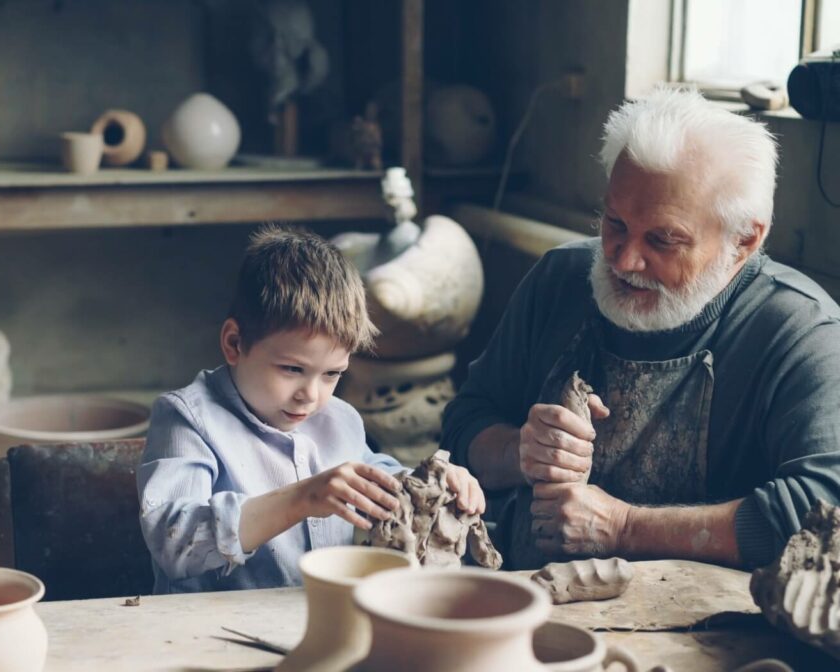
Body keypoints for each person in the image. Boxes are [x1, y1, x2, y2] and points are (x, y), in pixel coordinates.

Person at [441, 86, 840, 570]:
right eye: (614, 223)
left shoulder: (800, 332)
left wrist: (624, 527)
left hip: (705, 634)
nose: (625, 260)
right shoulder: (559, 279)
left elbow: (824, 511)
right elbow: (465, 421)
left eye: (663, 240)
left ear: (744, 240)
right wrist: (517, 450)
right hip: (523, 592)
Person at [138, 225, 485, 593]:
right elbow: (173, 542)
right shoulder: (187, 420)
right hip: (204, 633)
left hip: (316, 615)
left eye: (332, 374)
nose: (311, 395)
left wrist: (429, 482)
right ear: (235, 343)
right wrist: (301, 499)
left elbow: (376, 479)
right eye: (292, 369)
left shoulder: (339, 418)